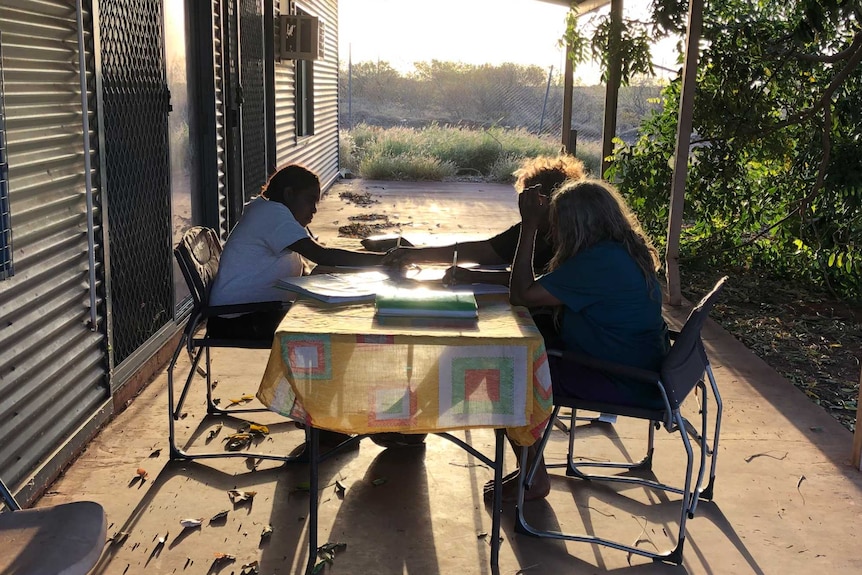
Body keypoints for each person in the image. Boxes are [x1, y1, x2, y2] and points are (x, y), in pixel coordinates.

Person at [491, 178, 670, 502]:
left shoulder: (598, 263)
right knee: (526, 345)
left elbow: (521, 294)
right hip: (641, 369)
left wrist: (528, 226)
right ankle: (530, 468)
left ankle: (535, 478)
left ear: (576, 225)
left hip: (620, 379)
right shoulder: (622, 250)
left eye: (557, 224)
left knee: (506, 375)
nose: (554, 233)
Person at [208, 164, 389, 339]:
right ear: (289, 194)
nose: (314, 209)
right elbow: (322, 256)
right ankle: (314, 370)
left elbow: (308, 266)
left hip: (250, 312)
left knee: (336, 311)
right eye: (310, 200)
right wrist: (386, 260)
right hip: (234, 319)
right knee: (329, 321)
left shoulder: (271, 212)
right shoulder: (273, 215)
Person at [383, 154, 587, 286]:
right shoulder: (534, 227)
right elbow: (484, 251)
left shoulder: (579, 239)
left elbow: (540, 284)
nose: (526, 207)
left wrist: (477, 277)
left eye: (532, 201)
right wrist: (416, 255)